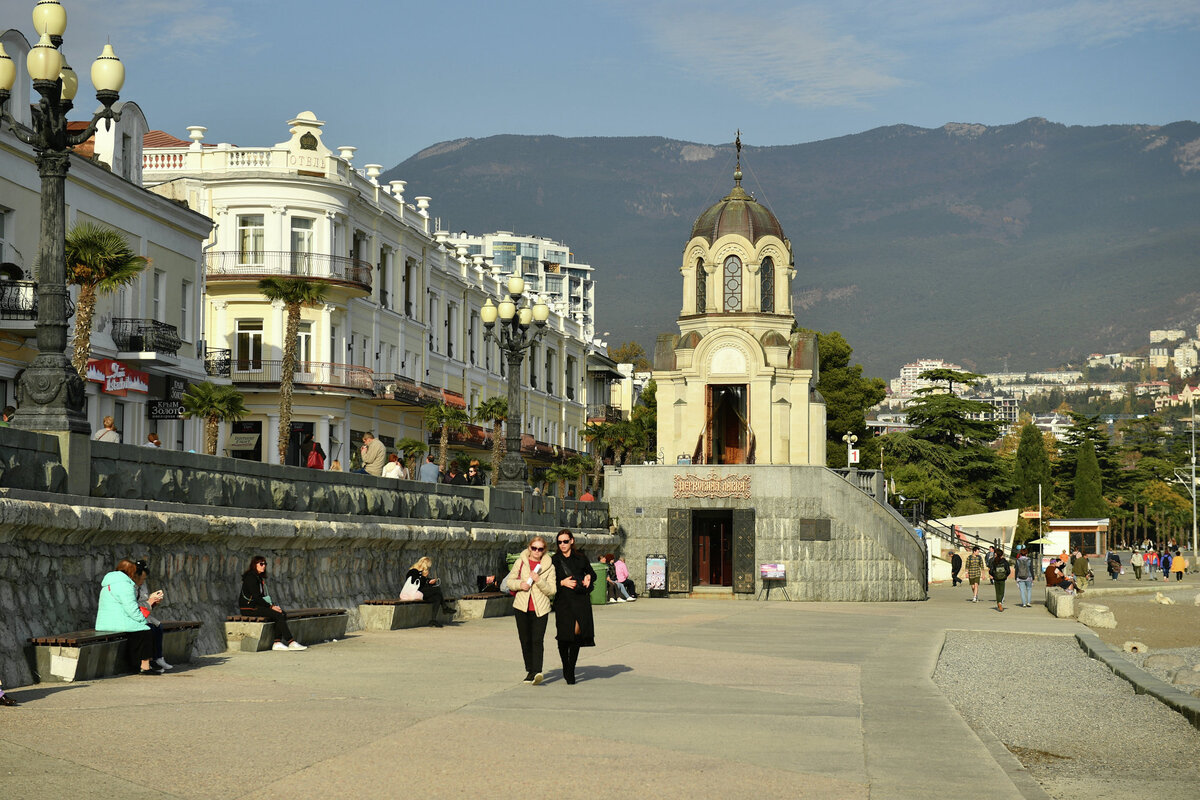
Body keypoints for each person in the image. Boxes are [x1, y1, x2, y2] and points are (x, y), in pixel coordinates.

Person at [505, 535, 557, 684]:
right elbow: (509, 581)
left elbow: (552, 590)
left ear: (544, 551)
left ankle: (537, 671)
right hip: (521, 607)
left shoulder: (549, 567)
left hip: (540, 609)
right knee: (525, 640)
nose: (536, 551)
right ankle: (530, 670)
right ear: (529, 548)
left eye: (540, 549)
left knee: (537, 640)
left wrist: (539, 580)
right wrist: (520, 585)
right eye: (534, 548)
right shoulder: (520, 562)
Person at [95, 558, 160, 674]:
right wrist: (142, 620)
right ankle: (145, 666)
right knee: (146, 630)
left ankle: (141, 664)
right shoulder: (125, 586)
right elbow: (132, 609)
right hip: (118, 622)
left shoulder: (109, 583)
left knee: (141, 630)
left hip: (104, 623)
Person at [551, 529, 595, 684]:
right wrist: (562, 582)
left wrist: (589, 577)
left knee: (576, 634)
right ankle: (565, 665)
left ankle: (571, 668)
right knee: (564, 636)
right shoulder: (554, 560)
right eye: (560, 542)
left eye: (565, 541)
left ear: (571, 541)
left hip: (580, 600)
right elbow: (548, 582)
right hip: (563, 602)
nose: (562, 544)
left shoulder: (580, 558)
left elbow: (592, 573)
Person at [238, 556, 306, 651]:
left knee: (281, 613)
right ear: (255, 565)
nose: (263, 566)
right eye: (261, 564)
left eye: (265, 564)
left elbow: (261, 597)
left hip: (256, 606)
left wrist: (272, 606)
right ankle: (291, 642)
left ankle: (277, 642)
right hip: (248, 608)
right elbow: (257, 597)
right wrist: (271, 606)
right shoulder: (251, 578)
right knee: (278, 614)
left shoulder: (258, 578)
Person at [134, 559, 171, 670]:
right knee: (150, 629)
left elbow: (144, 603)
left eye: (144, 579)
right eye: (142, 578)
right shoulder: (130, 587)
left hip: (144, 615)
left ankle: (158, 658)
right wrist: (150, 602)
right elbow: (134, 606)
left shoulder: (142, 586)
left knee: (158, 626)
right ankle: (149, 661)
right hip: (135, 616)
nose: (143, 581)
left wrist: (153, 602)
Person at [401, 556, 455, 627]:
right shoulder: (413, 571)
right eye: (428, 566)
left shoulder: (421, 573)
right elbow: (416, 583)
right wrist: (424, 578)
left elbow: (423, 583)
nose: (428, 568)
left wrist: (430, 581)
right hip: (415, 593)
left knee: (437, 597)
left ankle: (433, 620)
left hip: (421, 592)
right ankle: (445, 608)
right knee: (437, 589)